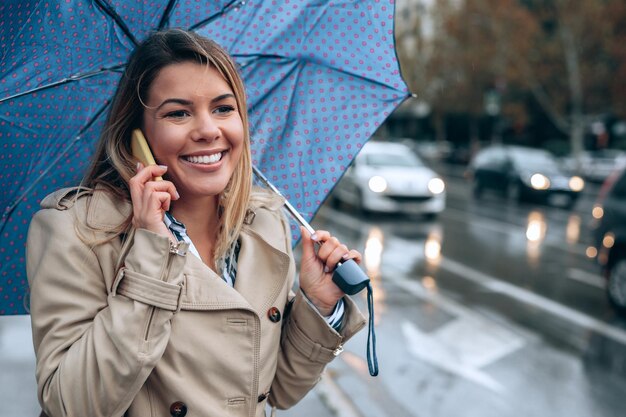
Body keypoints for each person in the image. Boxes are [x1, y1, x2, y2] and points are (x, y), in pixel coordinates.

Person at [26, 29, 366, 417]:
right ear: (137, 134)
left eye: (223, 108)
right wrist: (150, 258)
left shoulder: (262, 224)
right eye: (178, 113)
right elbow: (71, 404)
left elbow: (280, 390)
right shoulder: (78, 231)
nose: (208, 130)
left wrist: (318, 306)